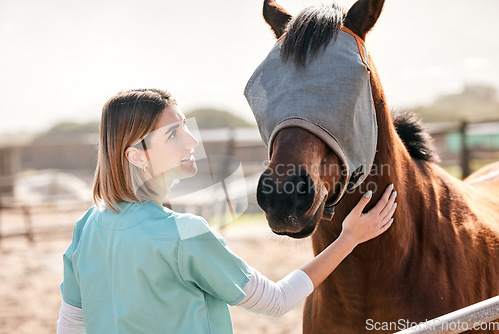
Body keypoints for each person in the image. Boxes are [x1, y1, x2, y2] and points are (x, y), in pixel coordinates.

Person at [57, 88, 397, 334]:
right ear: (137, 156)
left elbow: (71, 324)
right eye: (173, 134)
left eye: (186, 127)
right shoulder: (184, 234)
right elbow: (275, 301)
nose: (192, 141)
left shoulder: (87, 225)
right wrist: (350, 237)